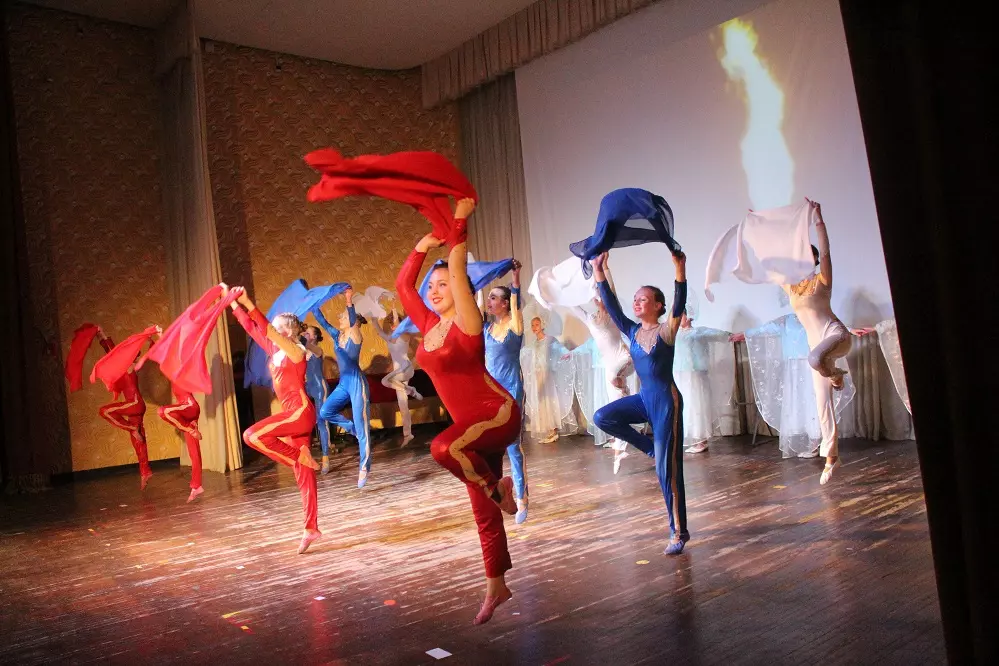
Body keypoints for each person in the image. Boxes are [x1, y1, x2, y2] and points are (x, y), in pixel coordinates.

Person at [395, 197, 520, 625]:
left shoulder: (468, 319)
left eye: (444, 284)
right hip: (472, 429)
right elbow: (403, 287)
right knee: (482, 510)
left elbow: (458, 263)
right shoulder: (429, 326)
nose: (434, 290)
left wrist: (460, 221)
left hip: (497, 413)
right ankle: (496, 585)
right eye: (432, 285)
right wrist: (422, 245)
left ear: (461, 289)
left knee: (442, 447)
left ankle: (499, 490)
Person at [592, 250, 690, 555]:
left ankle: (678, 532)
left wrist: (679, 268)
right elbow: (612, 306)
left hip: (666, 403)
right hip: (645, 398)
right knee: (602, 417)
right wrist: (599, 270)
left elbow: (679, 302)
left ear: (658, 306)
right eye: (635, 299)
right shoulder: (632, 331)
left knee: (667, 471)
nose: (636, 303)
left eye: (643, 299)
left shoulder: (667, 330)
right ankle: (648, 447)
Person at [228, 286, 322, 554]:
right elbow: (252, 328)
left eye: (279, 327)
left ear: (288, 332)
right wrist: (233, 304)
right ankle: (311, 528)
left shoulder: (296, 352)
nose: (273, 330)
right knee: (304, 475)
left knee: (252, 436)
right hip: (292, 416)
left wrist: (248, 303)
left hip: (300, 413)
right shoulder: (275, 351)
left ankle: (298, 457)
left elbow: (265, 328)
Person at [781, 199, 852, 484]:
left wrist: (818, 219)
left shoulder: (822, 279)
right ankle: (831, 457)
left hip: (836, 337)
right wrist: (764, 230)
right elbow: (770, 262)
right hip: (818, 351)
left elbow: (825, 251)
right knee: (823, 405)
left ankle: (835, 375)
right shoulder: (791, 287)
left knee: (814, 359)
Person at [483, 260, 529, 524]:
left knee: (513, 446)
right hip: (490, 392)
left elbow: (517, 302)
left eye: (494, 298)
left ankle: (522, 497)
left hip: (511, 390)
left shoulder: (515, 324)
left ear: (504, 303)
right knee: (489, 445)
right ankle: (498, 492)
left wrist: (516, 278)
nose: (489, 301)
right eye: (488, 297)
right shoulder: (487, 329)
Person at [314, 288, 373, 488]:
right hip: (343, 384)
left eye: (344, 316)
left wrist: (348, 299)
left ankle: (364, 466)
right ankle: (350, 428)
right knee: (325, 411)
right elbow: (323, 323)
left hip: (357, 384)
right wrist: (313, 305)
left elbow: (350, 316)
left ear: (353, 321)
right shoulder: (337, 336)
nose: (340, 318)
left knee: (363, 427)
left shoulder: (356, 335)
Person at [96, 326, 152, 489]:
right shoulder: (129, 366)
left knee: (105, 411)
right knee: (137, 440)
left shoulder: (130, 365)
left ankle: (131, 428)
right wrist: (101, 335)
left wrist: (102, 334)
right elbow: (112, 353)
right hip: (136, 405)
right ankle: (145, 472)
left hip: (134, 404)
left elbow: (113, 353)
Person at [521, 315, 576, 445]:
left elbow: (560, 349)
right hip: (537, 375)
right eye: (532, 325)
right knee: (541, 401)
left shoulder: (550, 340)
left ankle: (553, 430)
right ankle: (550, 431)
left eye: (537, 324)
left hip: (547, 375)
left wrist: (566, 354)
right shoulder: (534, 343)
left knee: (550, 400)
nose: (534, 327)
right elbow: (526, 354)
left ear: (542, 325)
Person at [372, 307, 423, 447]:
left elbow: (400, 325)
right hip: (396, 372)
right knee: (402, 404)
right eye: (391, 324)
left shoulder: (404, 335)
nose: (393, 326)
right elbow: (378, 330)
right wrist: (373, 317)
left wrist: (395, 310)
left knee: (385, 381)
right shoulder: (390, 337)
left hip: (405, 369)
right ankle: (408, 434)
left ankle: (411, 390)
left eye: (395, 323)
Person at [157, 382, 203, 502]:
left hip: (189, 406)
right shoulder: (173, 376)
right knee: (193, 452)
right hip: (186, 411)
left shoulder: (181, 373)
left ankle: (190, 429)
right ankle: (197, 486)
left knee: (163, 411)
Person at [301, 325, 334, 473]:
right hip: (307, 387)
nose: (305, 334)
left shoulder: (317, 350)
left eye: (307, 333)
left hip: (320, 388)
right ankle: (306, 455)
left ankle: (325, 457)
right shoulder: (302, 352)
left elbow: (306, 344)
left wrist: (295, 335)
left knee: (321, 421)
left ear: (314, 337)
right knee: (305, 421)